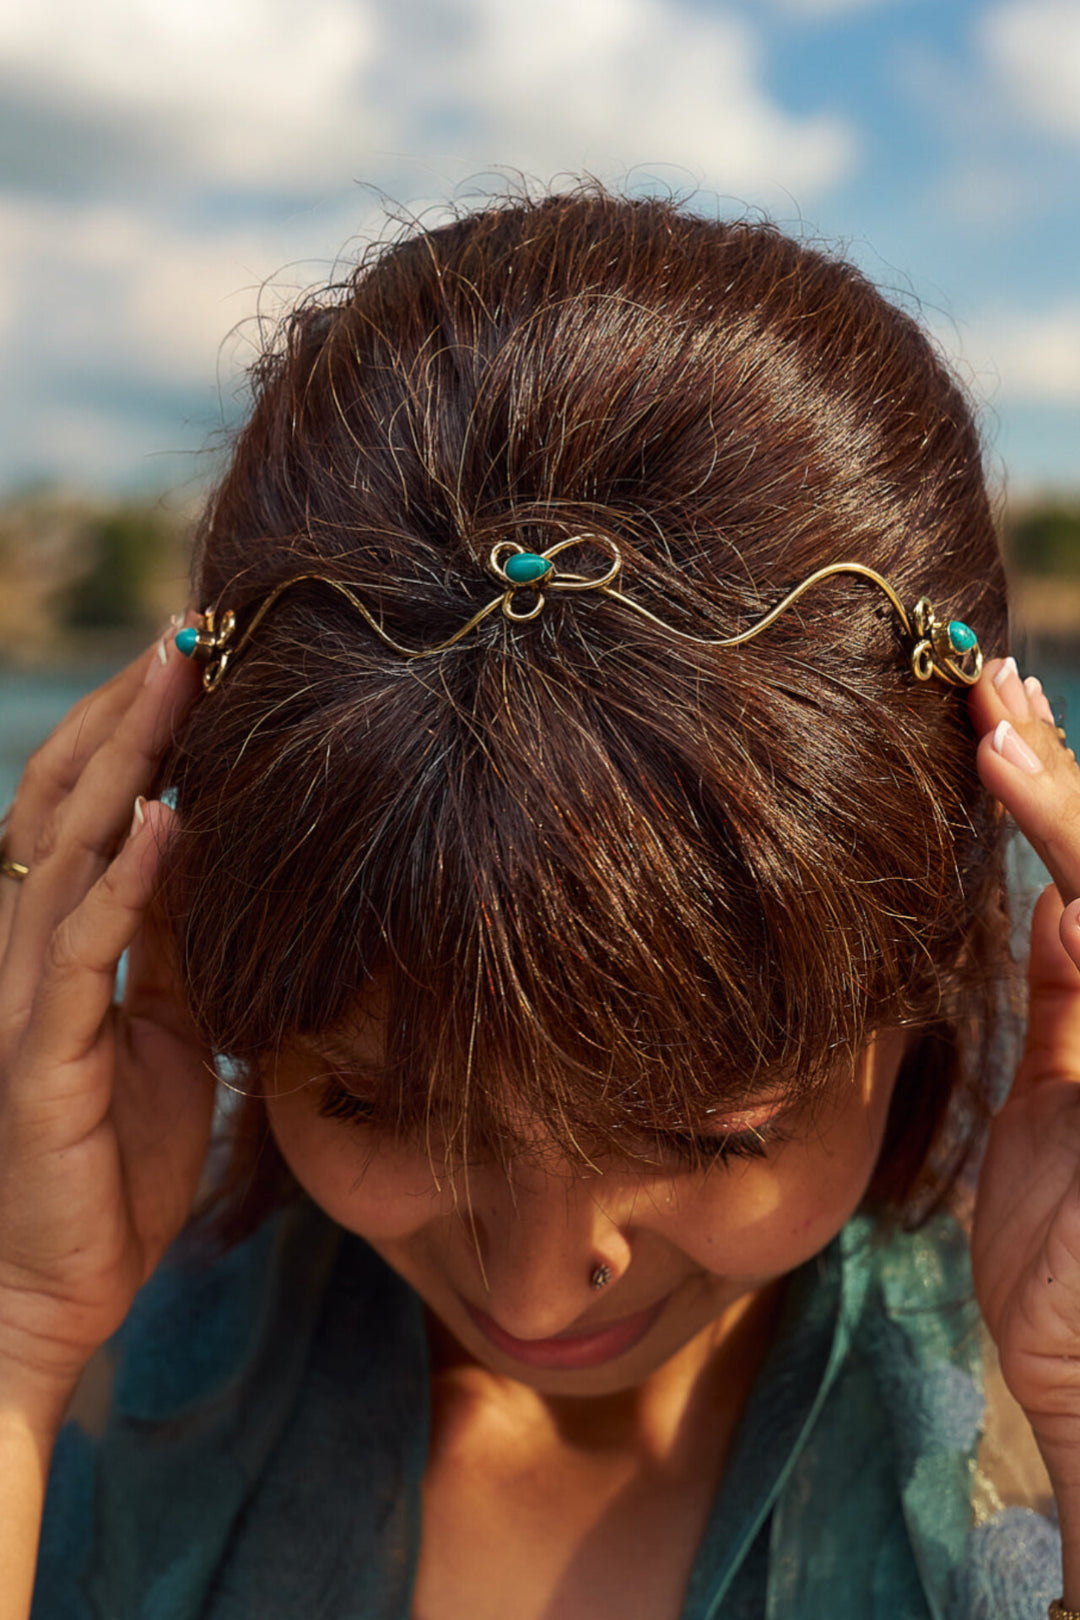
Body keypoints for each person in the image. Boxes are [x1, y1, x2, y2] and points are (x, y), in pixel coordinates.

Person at [3, 187, 1080, 1620]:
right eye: (379, 1103)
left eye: (714, 1129)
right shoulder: (85, 1392)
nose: (535, 1292)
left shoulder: (1030, 1446)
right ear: (193, 932)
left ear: (944, 939)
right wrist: (22, 1335)